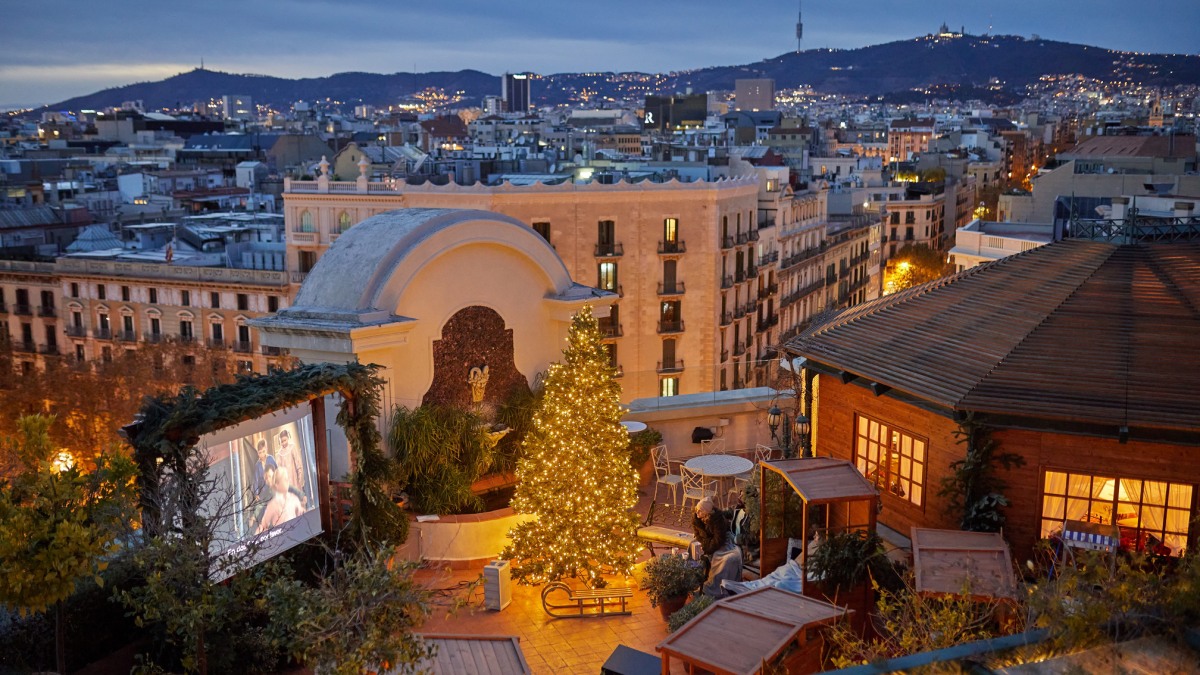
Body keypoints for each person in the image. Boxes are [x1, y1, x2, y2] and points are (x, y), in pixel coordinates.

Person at [256, 466, 306, 534]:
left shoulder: (294, 499)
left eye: (287, 478)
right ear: (277, 484)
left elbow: (302, 516)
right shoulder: (272, 504)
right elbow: (263, 525)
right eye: (284, 479)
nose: (287, 480)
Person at [277, 429, 308, 508]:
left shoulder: (292, 448)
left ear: (288, 438)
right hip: (286, 483)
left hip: (295, 480)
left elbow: (298, 464)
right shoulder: (280, 453)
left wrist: (299, 479)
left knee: (298, 501)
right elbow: (279, 470)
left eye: (285, 440)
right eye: (282, 441)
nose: (284, 443)